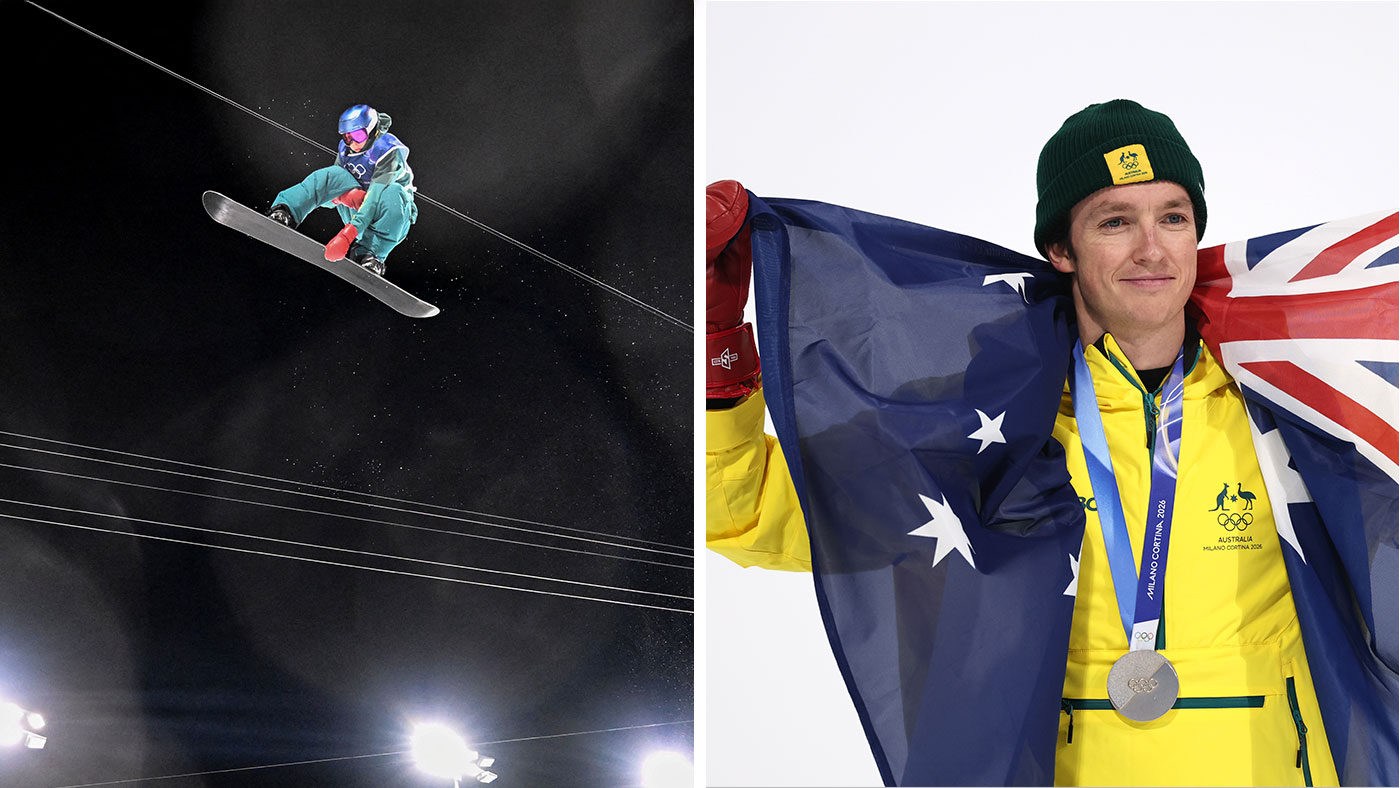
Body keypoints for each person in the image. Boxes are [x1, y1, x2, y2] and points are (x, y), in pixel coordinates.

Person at [706, 100, 1395, 786]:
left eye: (1173, 218)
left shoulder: (1293, 410)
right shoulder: (983, 425)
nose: (1151, 249)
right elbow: (751, 512)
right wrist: (722, 354)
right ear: (1061, 249)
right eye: (1115, 222)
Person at [267, 104, 418, 277]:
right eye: (347, 138)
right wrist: (344, 196)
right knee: (331, 174)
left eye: (358, 136)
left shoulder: (388, 150)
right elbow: (331, 185)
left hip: (386, 213)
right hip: (357, 208)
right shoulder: (346, 149)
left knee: (394, 195)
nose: (352, 143)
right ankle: (286, 211)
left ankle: (370, 254)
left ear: (372, 131)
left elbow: (374, 198)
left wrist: (347, 235)